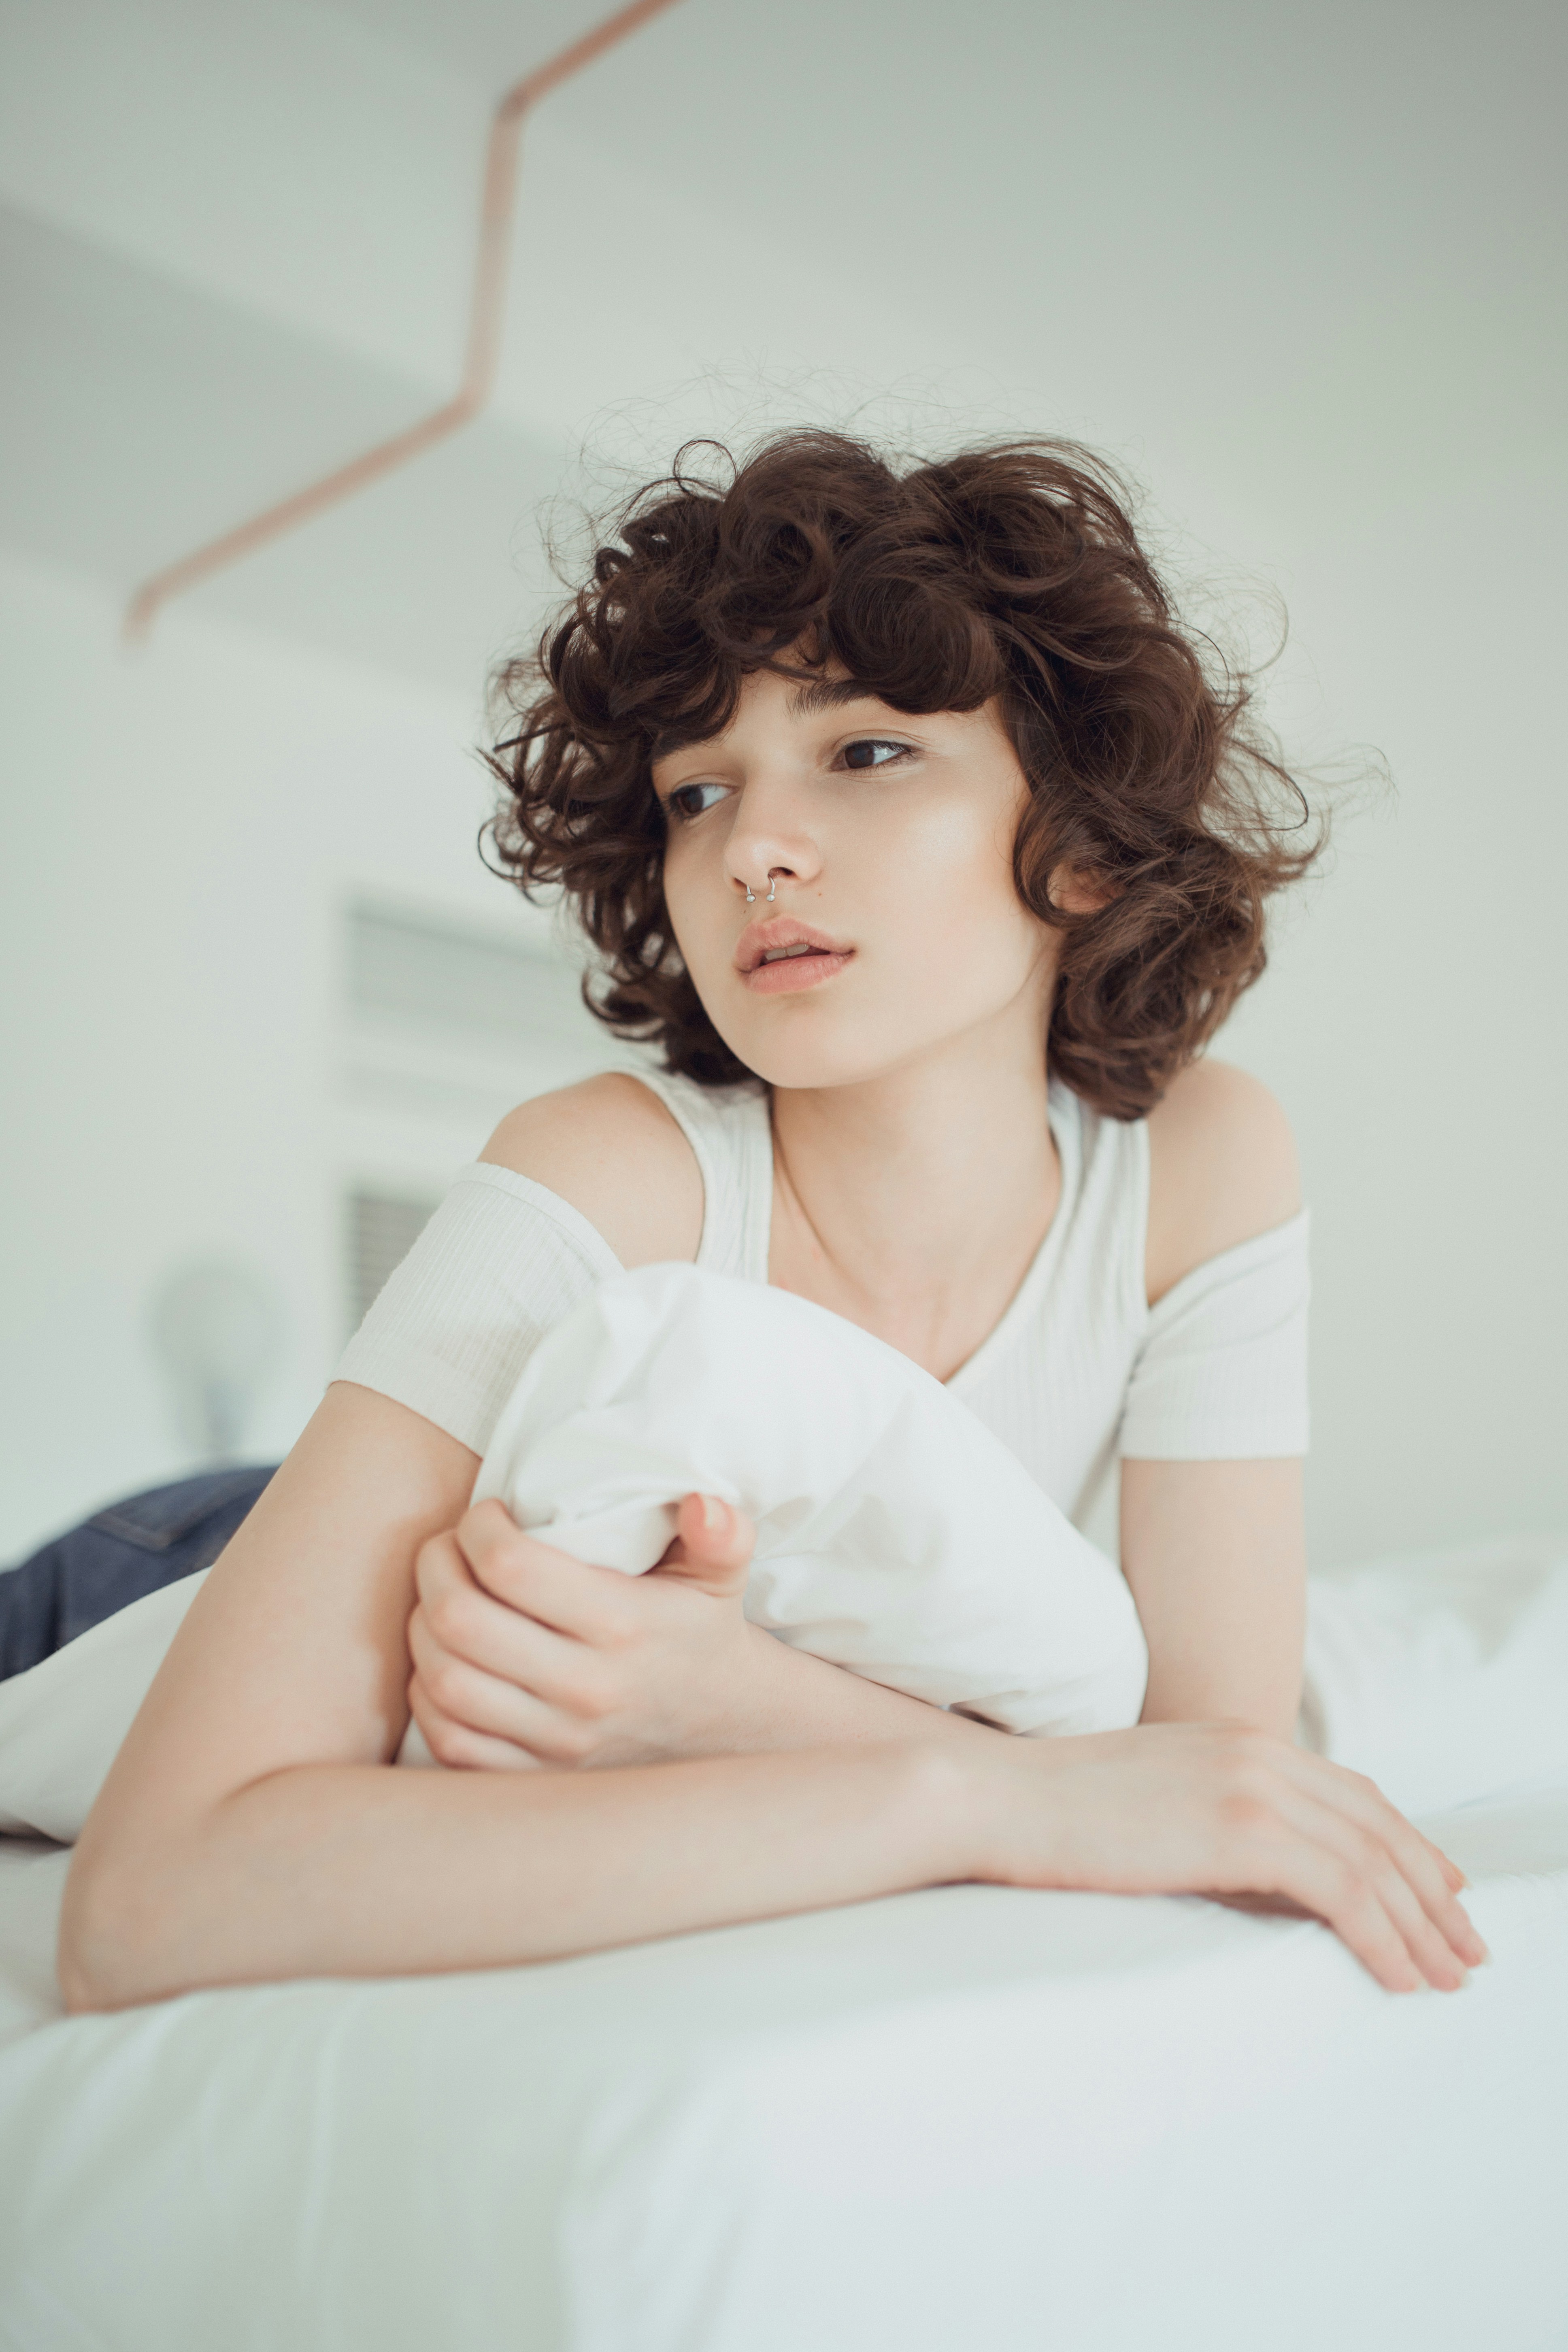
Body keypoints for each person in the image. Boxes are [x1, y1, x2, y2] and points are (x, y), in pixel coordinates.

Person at [59, 434, 1484, 2012]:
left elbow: (1217, 1779)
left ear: (1078, 847)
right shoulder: (605, 1170)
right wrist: (976, 1792)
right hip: (164, 1568)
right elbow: (144, 1905)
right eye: (698, 790)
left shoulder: (1201, 1165)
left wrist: (743, 1705)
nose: (751, 848)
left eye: (865, 752)